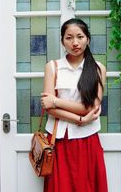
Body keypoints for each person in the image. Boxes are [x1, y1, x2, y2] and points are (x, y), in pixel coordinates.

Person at [40, 18, 108, 192]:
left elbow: (91, 107)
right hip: (59, 141)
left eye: (80, 37)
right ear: (62, 41)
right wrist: (80, 118)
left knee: (88, 186)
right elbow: (49, 109)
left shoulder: (98, 68)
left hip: (88, 139)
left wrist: (56, 101)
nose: (75, 43)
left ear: (88, 39)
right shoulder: (53, 67)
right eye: (69, 38)